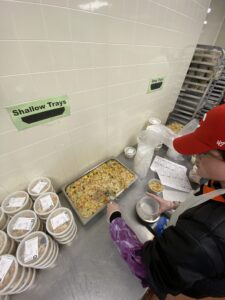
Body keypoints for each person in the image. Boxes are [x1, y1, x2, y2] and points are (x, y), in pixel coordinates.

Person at [107, 104, 225, 300]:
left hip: (186, 287)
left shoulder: (203, 237)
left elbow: (146, 266)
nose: (195, 158)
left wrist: (115, 220)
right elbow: (208, 199)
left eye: (204, 153)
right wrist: (173, 205)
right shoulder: (219, 181)